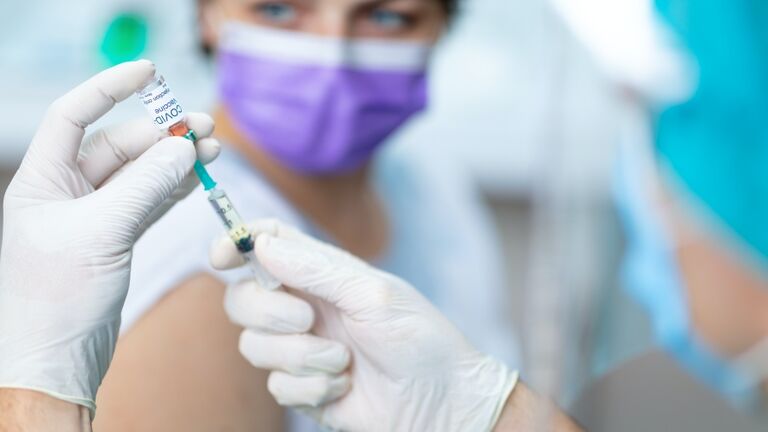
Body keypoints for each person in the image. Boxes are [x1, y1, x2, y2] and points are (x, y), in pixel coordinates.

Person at [96, 0, 517, 430]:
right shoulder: (189, 265)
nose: (332, 53)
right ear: (208, 15)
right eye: (278, 10)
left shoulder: (429, 185)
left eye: (386, 16)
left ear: (442, 25)